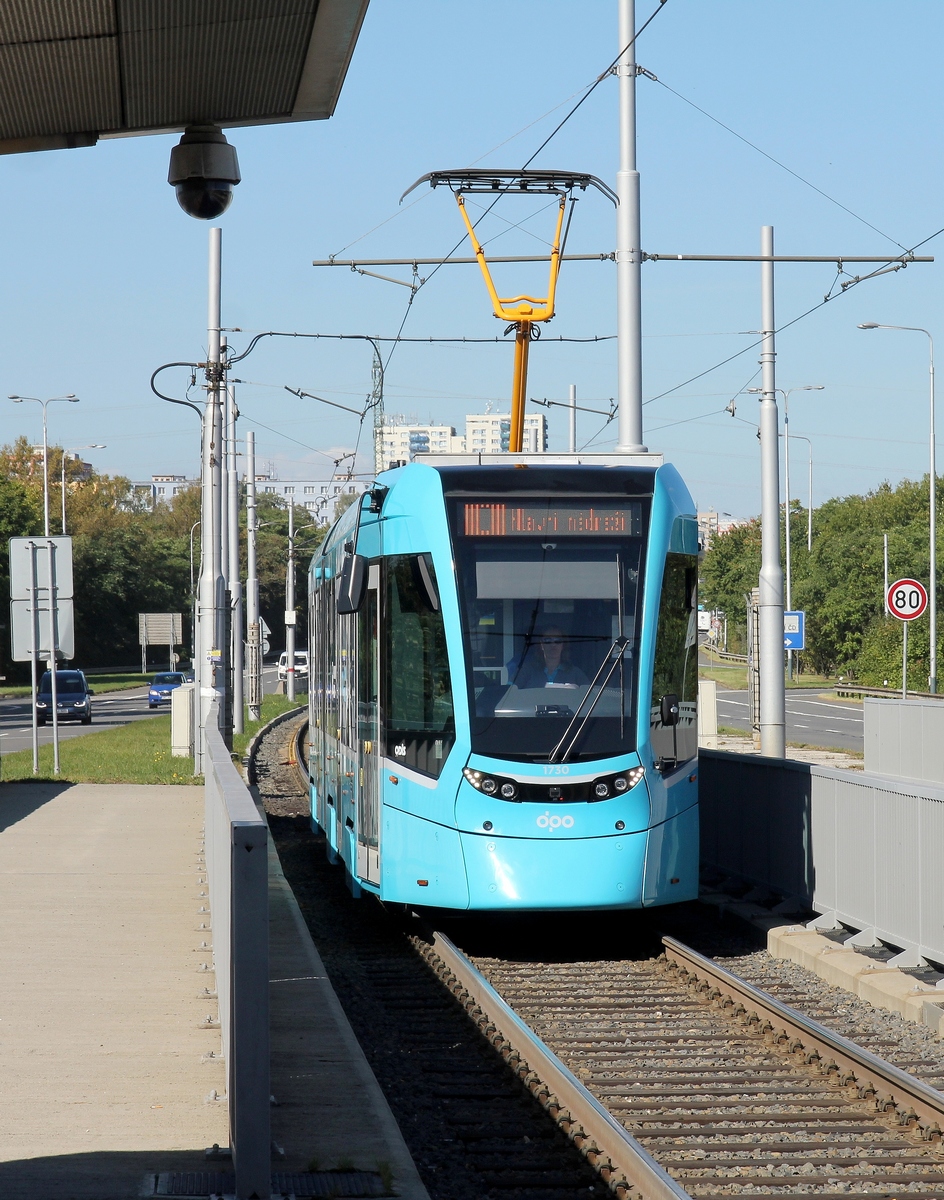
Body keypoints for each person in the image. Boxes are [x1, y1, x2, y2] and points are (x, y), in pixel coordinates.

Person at [511, 626, 588, 689]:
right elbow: (509, 696)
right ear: (541, 644)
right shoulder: (525, 671)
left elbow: (591, 698)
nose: (553, 645)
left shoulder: (576, 673)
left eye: (557, 641)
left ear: (563, 645)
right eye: (548, 640)